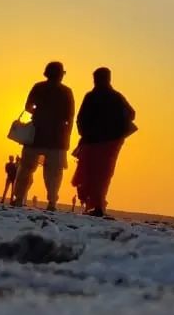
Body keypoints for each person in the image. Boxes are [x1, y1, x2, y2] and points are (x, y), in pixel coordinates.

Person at [71, 67, 136, 217]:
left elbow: (80, 119)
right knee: (103, 174)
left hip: (92, 141)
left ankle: (94, 205)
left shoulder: (91, 96)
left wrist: (85, 133)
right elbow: (132, 114)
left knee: (88, 173)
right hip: (111, 142)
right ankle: (97, 205)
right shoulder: (116, 97)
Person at [13, 62, 75, 212]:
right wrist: (66, 137)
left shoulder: (38, 87)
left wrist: (39, 114)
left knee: (26, 169)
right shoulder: (66, 92)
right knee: (54, 173)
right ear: (61, 74)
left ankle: (19, 199)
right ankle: (52, 202)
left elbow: (28, 107)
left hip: (36, 135)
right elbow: (70, 116)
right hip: (57, 138)